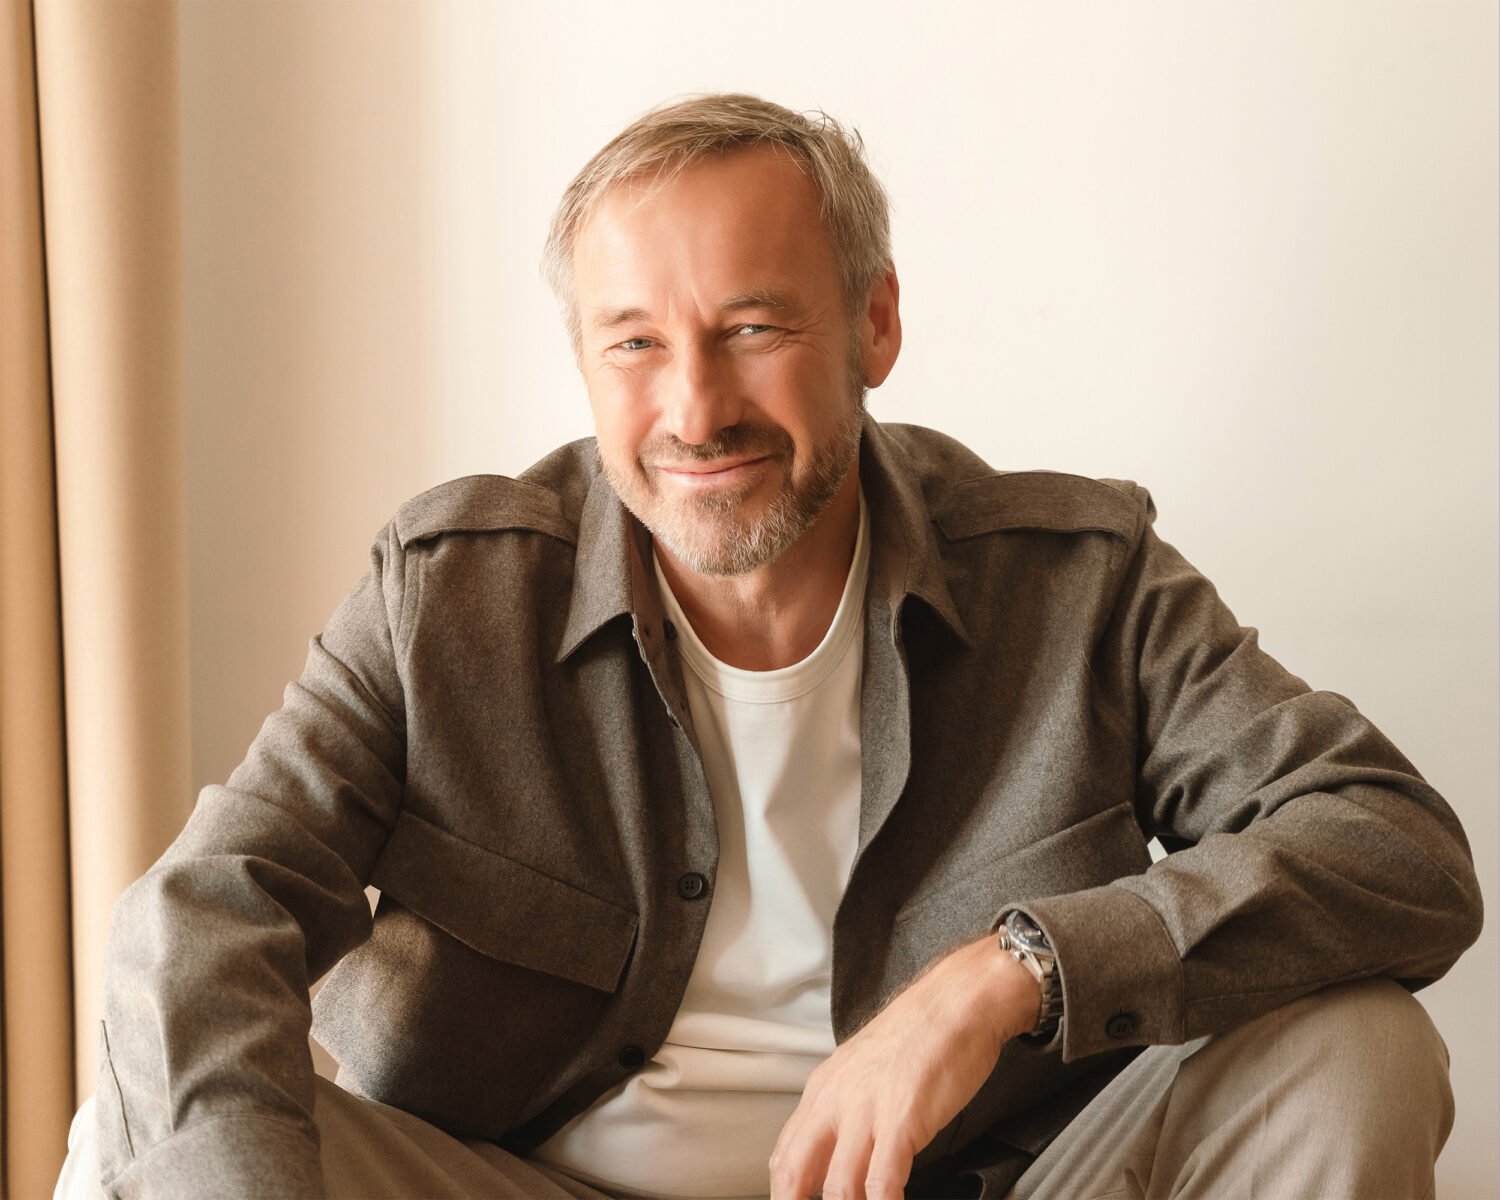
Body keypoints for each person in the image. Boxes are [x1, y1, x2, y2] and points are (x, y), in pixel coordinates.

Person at [60, 93, 1481, 1200]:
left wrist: (1009, 976)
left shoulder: (1079, 582)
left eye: (750, 327)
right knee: (159, 1096)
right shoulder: (448, 595)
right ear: (583, 361)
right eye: (634, 344)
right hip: (517, 1183)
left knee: (1355, 1047)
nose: (694, 410)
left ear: (875, 323)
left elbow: (1393, 845)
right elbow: (208, 917)